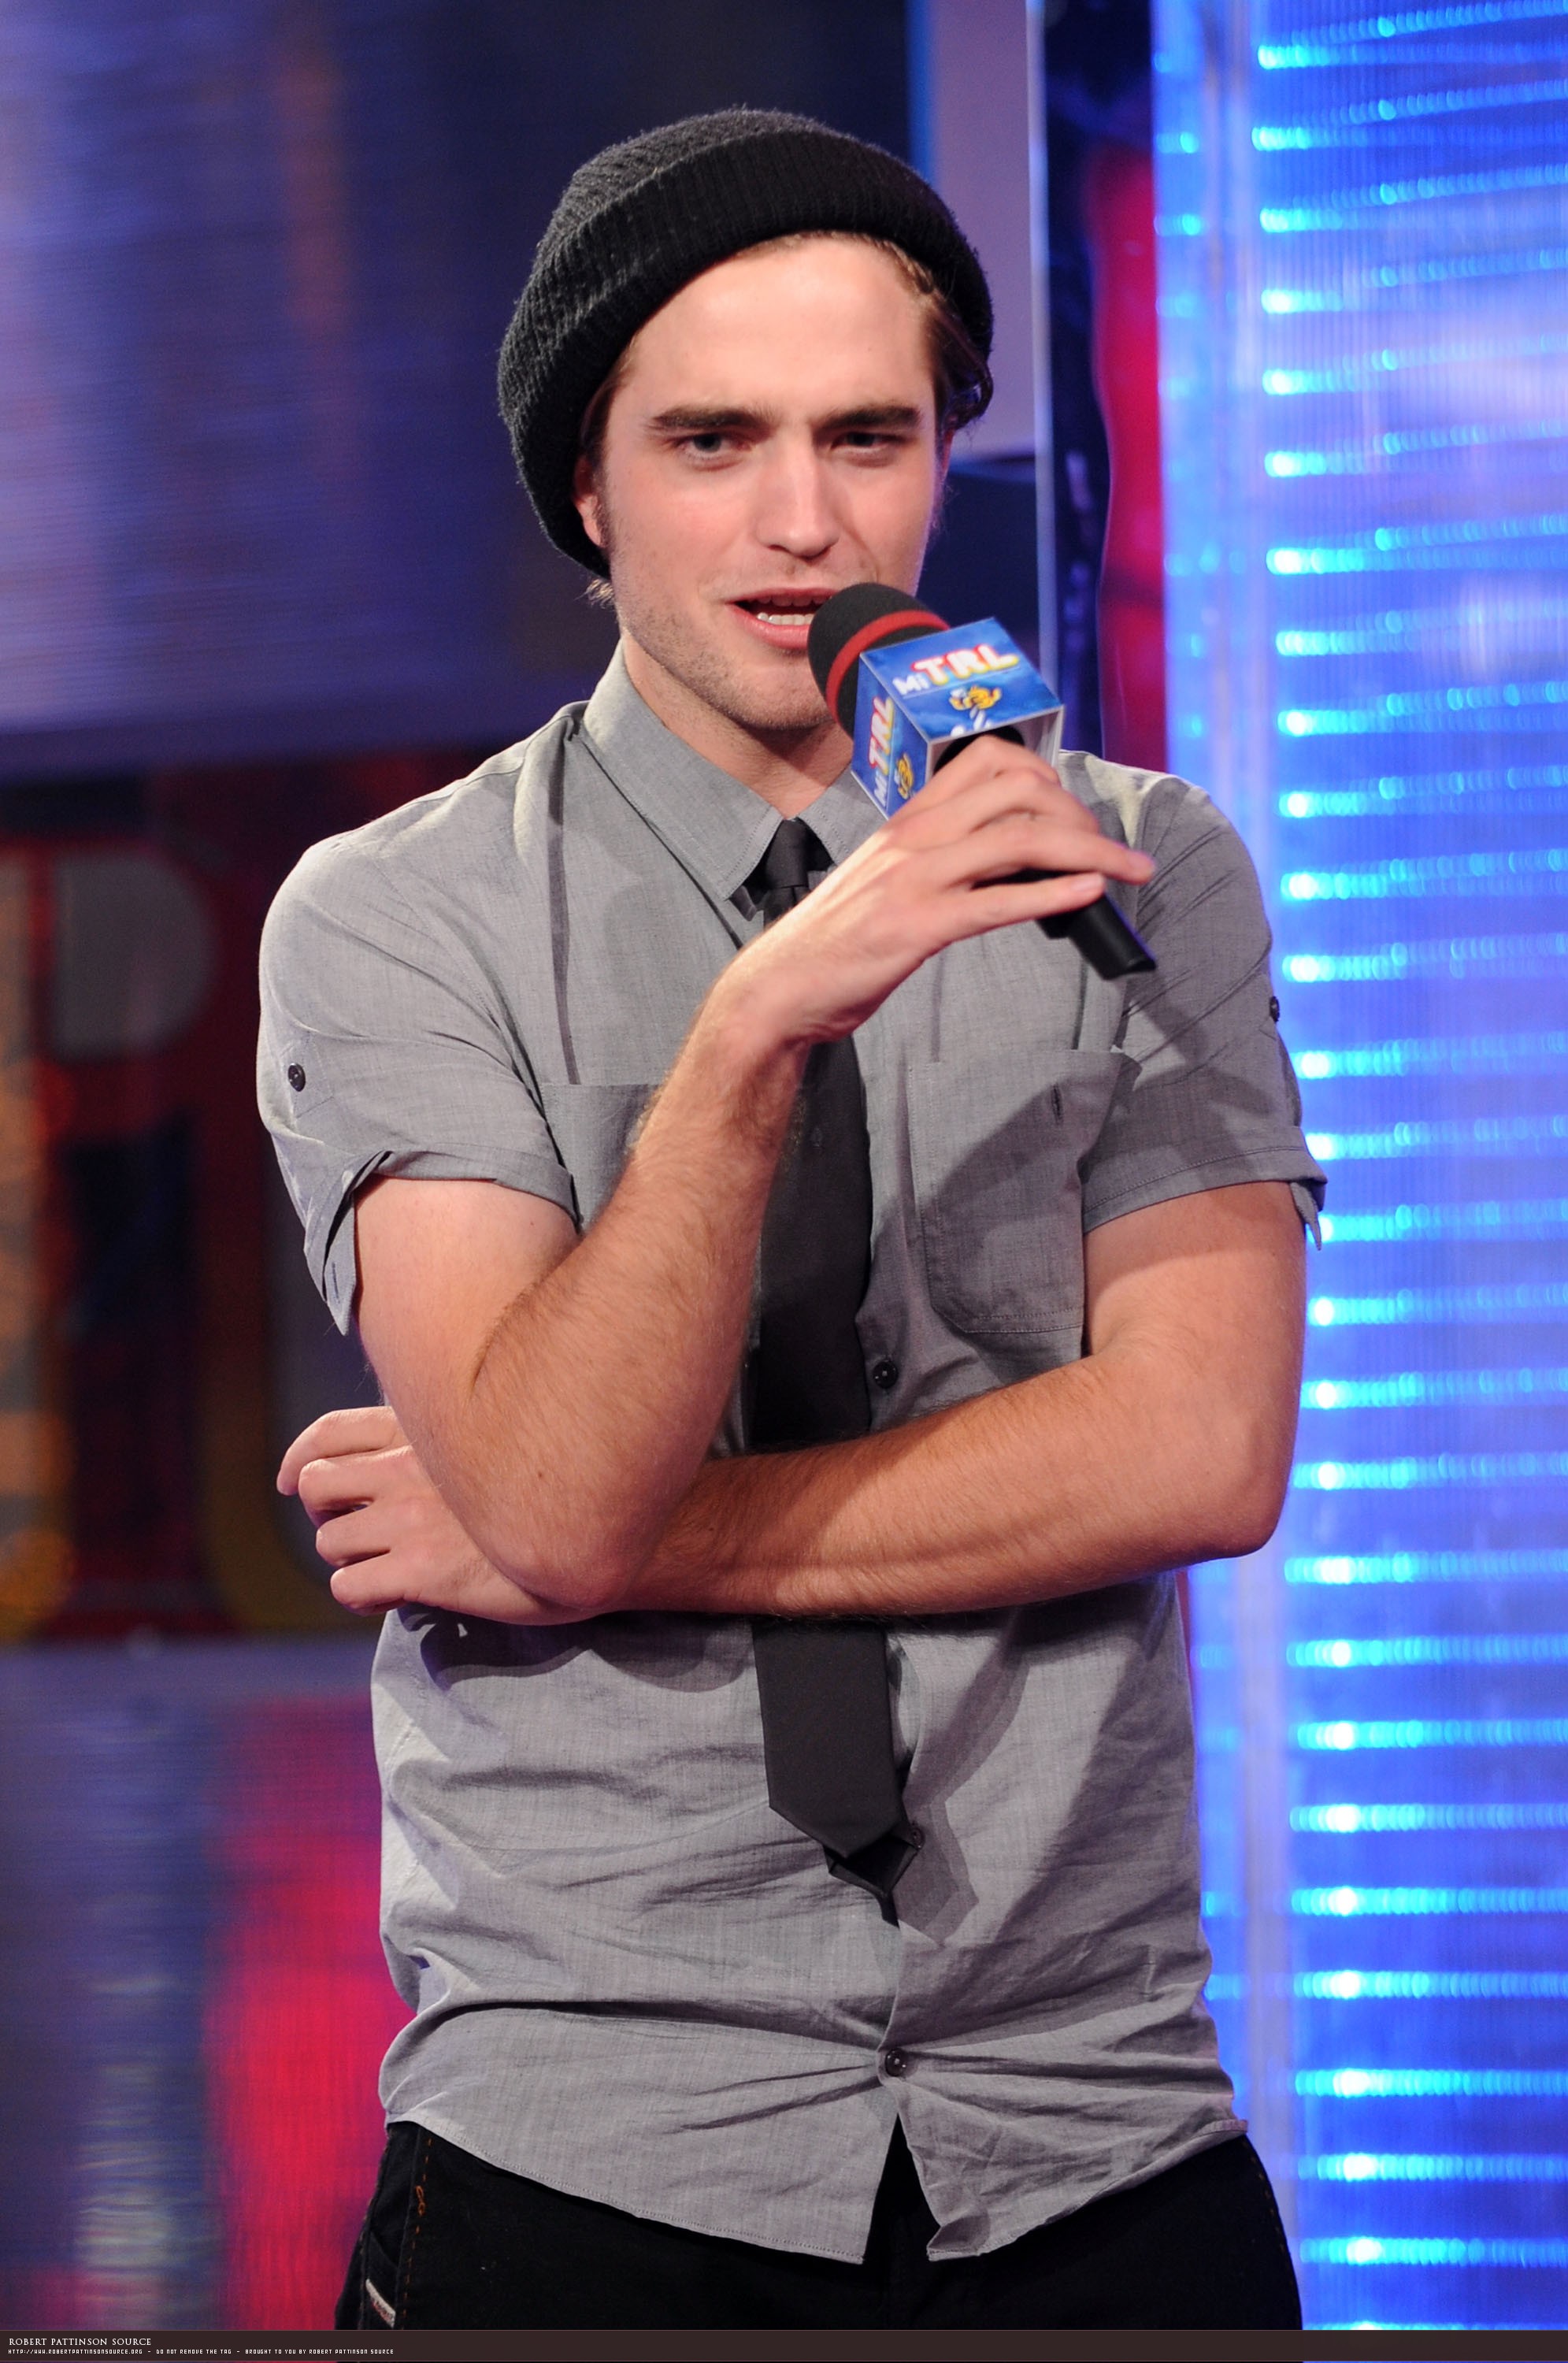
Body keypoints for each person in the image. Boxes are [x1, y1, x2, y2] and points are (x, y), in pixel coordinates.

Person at [259, 109, 1322, 2332]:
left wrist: (592, 1540)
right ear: (588, 481)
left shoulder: (1141, 863)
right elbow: (551, 1479)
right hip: (593, 2135)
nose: (801, 520)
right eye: (711, 441)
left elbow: (1201, 1454)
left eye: (868, 435)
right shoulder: (394, 916)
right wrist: (757, 1027)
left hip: (1095, 2123)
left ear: (941, 462)